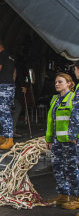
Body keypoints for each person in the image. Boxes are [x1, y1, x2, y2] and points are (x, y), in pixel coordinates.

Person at [45, 73, 79, 209]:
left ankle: (76, 198)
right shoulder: (55, 99)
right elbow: (50, 121)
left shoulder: (74, 98)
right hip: (57, 141)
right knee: (58, 168)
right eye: (56, 82)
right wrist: (48, 138)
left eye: (60, 82)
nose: (57, 84)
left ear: (69, 83)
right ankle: (63, 195)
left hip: (71, 141)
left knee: (72, 169)